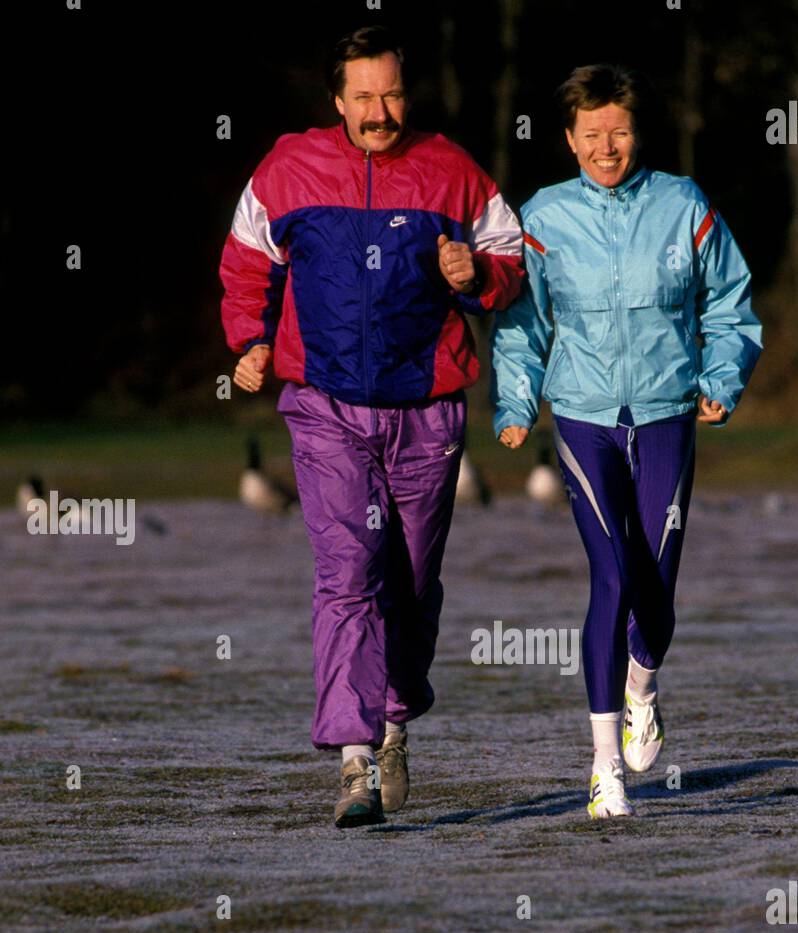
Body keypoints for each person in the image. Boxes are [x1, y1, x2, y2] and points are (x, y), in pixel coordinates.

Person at [220, 25, 524, 826]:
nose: (380, 111)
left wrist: (480, 272)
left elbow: (512, 260)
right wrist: (249, 339)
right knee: (347, 574)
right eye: (364, 98)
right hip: (324, 405)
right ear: (337, 100)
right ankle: (353, 762)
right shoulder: (290, 166)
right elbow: (246, 258)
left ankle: (393, 721)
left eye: (391, 94)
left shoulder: (451, 169)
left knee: (412, 584)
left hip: (427, 408)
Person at [491, 64, 762, 820]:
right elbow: (522, 325)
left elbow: (732, 301)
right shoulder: (542, 218)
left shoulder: (684, 204)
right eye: (592, 135)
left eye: (619, 132)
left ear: (636, 131)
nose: (607, 148)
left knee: (658, 584)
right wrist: (516, 402)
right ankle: (604, 764)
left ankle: (644, 683)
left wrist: (721, 375)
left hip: (668, 410)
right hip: (583, 417)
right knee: (610, 575)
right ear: (569, 139)